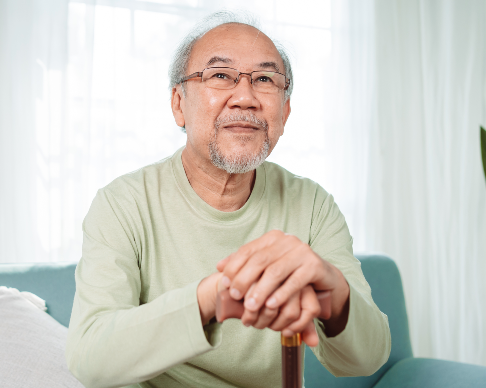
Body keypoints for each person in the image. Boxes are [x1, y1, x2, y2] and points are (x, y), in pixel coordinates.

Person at [65, 11, 391, 388]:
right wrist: (212, 299)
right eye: (220, 75)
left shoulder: (313, 206)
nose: (246, 97)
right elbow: (90, 357)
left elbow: (367, 358)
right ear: (178, 104)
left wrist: (334, 292)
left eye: (265, 79)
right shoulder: (122, 204)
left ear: (284, 112)